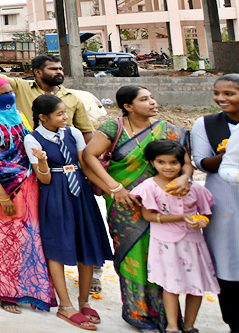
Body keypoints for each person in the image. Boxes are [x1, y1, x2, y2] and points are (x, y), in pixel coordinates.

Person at [81, 85, 192, 332]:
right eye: (144, 99)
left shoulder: (168, 130)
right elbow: (89, 156)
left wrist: (186, 176)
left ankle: (167, 318)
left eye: (152, 97)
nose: (152, 102)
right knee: (132, 256)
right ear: (128, 106)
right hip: (123, 205)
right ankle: (138, 314)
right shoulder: (114, 128)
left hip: (160, 205)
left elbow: (184, 162)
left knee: (162, 257)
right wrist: (114, 187)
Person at [0, 77, 54, 314]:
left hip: (27, 185)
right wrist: (2, 196)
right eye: (3, 92)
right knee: (0, 241)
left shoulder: (18, 116)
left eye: (11, 91)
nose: (10, 96)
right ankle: (2, 292)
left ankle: (30, 288)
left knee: (28, 238)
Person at [24, 94, 112, 330]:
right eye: (60, 113)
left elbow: (85, 164)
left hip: (80, 192)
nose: (65, 117)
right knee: (57, 246)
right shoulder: (32, 139)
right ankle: (65, 305)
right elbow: (45, 178)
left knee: (86, 242)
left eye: (66, 112)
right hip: (55, 194)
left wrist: (110, 188)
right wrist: (42, 161)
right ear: (43, 117)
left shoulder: (72, 133)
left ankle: (84, 302)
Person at [190, 74, 239, 333]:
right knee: (227, 262)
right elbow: (201, 162)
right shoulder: (205, 124)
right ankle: (236, 324)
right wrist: (230, 153)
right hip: (224, 201)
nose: (220, 99)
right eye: (217, 93)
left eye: (229, 94)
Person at [131, 140, 218, 333]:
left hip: (193, 243)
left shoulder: (195, 188)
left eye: (173, 163)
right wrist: (181, 217)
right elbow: (148, 216)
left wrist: (201, 221)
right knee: (171, 285)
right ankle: (172, 326)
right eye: (161, 162)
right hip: (166, 244)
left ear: (182, 164)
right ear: (152, 163)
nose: (168, 167)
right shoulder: (149, 187)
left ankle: (189, 325)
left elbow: (204, 214)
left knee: (196, 286)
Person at [0, 38, 95, 140]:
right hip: (27, 152)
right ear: (38, 72)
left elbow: (86, 132)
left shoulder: (73, 98)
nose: (59, 72)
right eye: (53, 69)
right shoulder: (20, 87)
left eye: (60, 69)